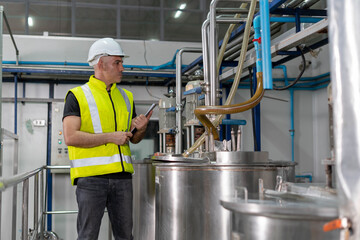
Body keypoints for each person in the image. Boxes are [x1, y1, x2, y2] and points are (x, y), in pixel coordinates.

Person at [62, 38, 152, 240]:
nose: (122, 68)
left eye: (121, 63)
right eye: (117, 63)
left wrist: (141, 129)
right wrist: (110, 137)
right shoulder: (77, 96)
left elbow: (133, 140)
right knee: (88, 236)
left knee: (125, 236)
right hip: (91, 178)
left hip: (122, 179)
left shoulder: (127, 97)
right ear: (101, 64)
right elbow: (70, 137)